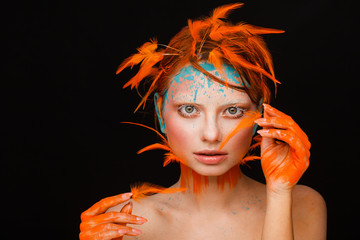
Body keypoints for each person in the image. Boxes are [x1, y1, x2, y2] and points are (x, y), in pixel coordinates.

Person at [79, 3, 327, 240]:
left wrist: (279, 194)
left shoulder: (302, 206)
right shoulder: (124, 223)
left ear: (259, 113)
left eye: (232, 111)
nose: (211, 134)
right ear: (160, 111)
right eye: (189, 109)